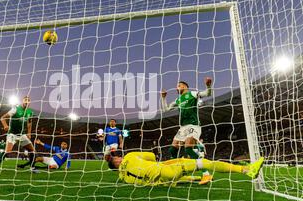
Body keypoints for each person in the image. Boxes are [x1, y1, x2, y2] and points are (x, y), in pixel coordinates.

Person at [107, 151, 264, 186]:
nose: (119, 157)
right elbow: (153, 156)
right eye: (116, 157)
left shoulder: (124, 178)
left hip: (162, 181)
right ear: (117, 160)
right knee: (204, 162)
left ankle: (199, 178)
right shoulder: (128, 156)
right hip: (164, 170)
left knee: (180, 176)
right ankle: (246, 170)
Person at [161, 78, 213, 184]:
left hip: (193, 125)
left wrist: (208, 85)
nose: (177, 88)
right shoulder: (178, 100)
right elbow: (165, 109)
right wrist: (163, 98)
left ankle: (206, 174)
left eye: (179, 85)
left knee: (188, 149)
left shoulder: (192, 94)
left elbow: (207, 93)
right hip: (183, 127)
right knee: (172, 149)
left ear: (185, 86)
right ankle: (176, 171)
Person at [0, 96, 35, 175]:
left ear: (30, 103)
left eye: (28, 100)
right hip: (12, 134)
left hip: (22, 135)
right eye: (25, 100)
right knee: (7, 151)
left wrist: (29, 133)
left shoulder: (30, 112)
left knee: (32, 151)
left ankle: (32, 168)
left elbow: (29, 123)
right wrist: (5, 125)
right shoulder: (15, 109)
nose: (26, 102)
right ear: (22, 101)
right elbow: (2, 117)